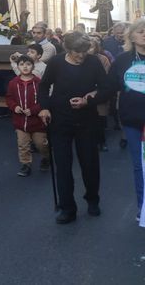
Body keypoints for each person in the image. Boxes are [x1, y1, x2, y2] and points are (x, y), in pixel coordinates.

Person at [39, 32, 108, 224]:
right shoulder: (56, 63)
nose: (82, 55)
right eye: (77, 51)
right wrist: (44, 108)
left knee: (90, 163)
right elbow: (43, 87)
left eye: (85, 51)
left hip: (86, 120)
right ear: (68, 49)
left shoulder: (93, 62)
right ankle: (67, 207)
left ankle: (92, 199)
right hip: (60, 120)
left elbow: (106, 88)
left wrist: (88, 100)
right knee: (63, 166)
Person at [101, 19, 145, 221]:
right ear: (132, 36)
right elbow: (108, 87)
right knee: (139, 165)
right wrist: (88, 97)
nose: (144, 34)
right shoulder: (122, 60)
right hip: (133, 119)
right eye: (141, 31)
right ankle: (142, 208)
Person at [5, 55, 50, 177]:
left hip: (37, 122)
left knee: (41, 144)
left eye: (28, 64)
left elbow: (44, 100)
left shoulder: (39, 83)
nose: (25, 67)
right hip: (20, 122)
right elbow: (9, 98)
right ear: (18, 67)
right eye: (22, 64)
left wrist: (34, 110)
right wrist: (15, 107)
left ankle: (46, 157)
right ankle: (26, 164)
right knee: (23, 144)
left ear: (33, 66)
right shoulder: (13, 83)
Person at [88, 36, 112, 152]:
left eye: (91, 47)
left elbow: (106, 75)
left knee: (100, 119)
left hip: (99, 92)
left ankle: (102, 141)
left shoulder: (103, 59)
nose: (89, 50)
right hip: (85, 93)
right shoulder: (81, 59)